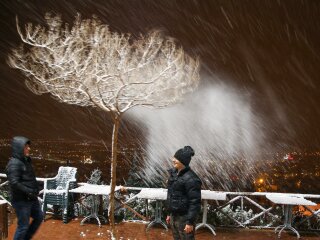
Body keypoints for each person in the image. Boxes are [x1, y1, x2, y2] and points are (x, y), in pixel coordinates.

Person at [6, 136, 43, 240]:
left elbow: (28, 178)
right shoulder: (14, 163)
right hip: (21, 201)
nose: (29, 149)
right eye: (26, 147)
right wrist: (30, 191)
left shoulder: (25, 160)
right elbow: (14, 183)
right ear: (19, 148)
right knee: (23, 226)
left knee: (39, 217)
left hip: (31, 198)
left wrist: (35, 188)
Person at [166, 146, 202, 240]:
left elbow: (195, 202)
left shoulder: (191, 179)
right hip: (174, 216)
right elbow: (171, 195)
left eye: (176, 158)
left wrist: (190, 222)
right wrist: (169, 213)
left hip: (185, 218)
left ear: (183, 161)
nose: (173, 160)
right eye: (174, 157)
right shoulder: (174, 175)